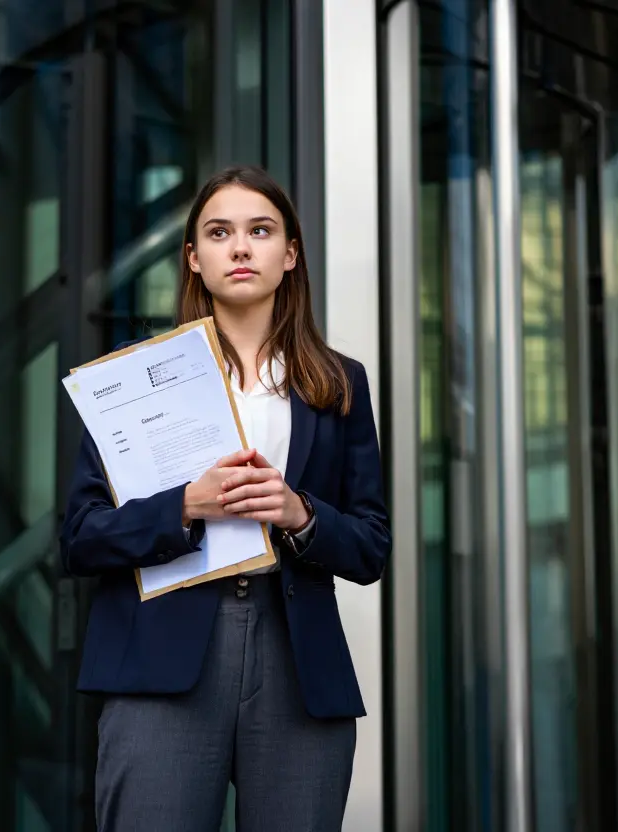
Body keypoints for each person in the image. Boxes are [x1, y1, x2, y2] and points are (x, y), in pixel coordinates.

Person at [60, 165, 391, 832]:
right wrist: (185, 504)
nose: (240, 248)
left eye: (260, 231)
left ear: (290, 253)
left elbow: (370, 547)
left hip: (297, 659)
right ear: (194, 257)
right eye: (220, 233)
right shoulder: (133, 380)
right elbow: (81, 536)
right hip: (161, 653)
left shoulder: (338, 383)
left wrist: (299, 515)